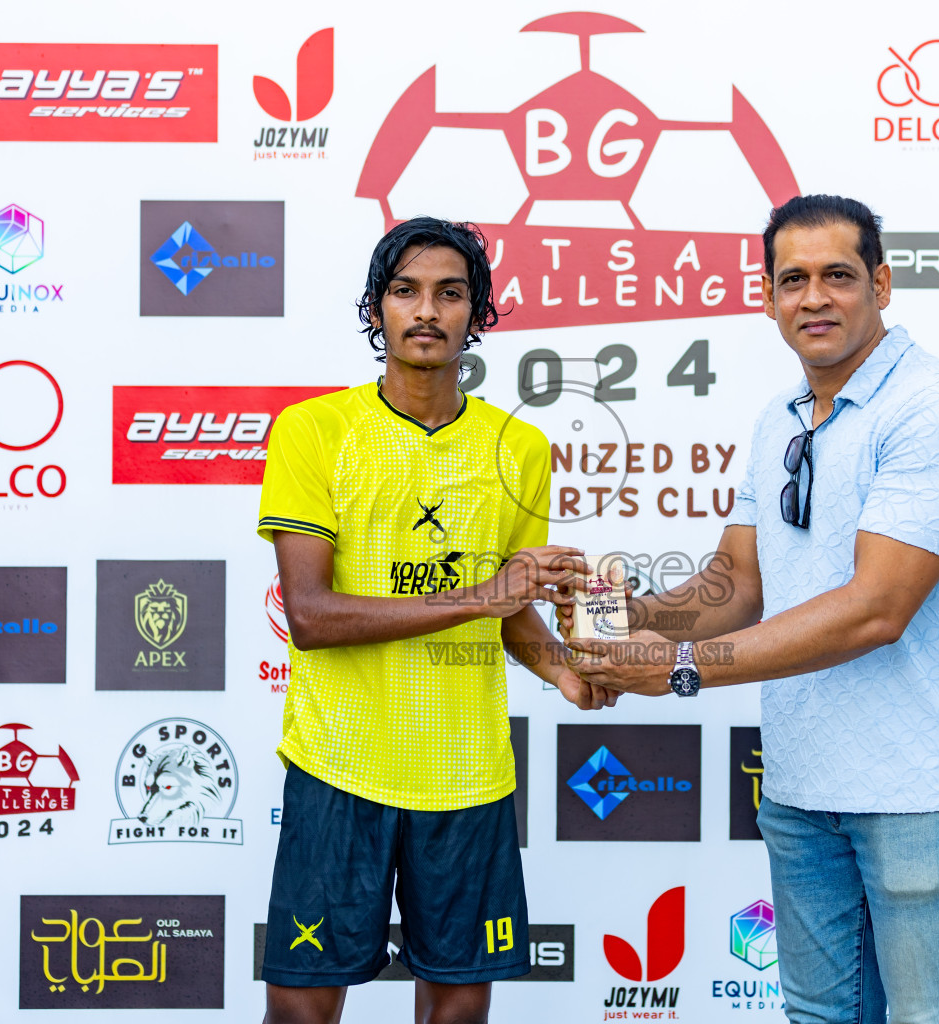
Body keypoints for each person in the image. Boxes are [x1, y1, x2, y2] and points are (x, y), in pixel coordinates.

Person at [564, 195, 939, 1024]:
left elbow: (874, 610)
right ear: (768, 295)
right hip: (802, 789)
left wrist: (685, 667)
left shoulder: (937, 411)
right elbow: (738, 581)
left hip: (918, 791)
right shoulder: (781, 418)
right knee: (820, 1017)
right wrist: (619, 619)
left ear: (880, 283)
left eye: (838, 276)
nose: (814, 298)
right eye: (793, 279)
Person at [257, 217, 609, 1024]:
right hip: (338, 764)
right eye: (405, 291)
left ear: (476, 314)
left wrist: (566, 671)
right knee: (301, 1013)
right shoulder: (315, 432)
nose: (426, 311)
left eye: (450, 294)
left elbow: (516, 614)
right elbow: (310, 616)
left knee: (457, 1013)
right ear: (376, 308)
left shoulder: (517, 446)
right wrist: (485, 595)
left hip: (466, 772)